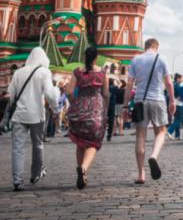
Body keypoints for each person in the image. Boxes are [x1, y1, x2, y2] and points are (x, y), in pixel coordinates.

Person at [8, 47, 58, 191]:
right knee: (38, 145)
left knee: (18, 148)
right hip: (36, 115)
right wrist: (55, 109)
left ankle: (17, 181)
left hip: (19, 115)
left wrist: (12, 109)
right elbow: (49, 93)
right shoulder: (44, 72)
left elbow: (11, 94)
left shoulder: (18, 72)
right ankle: (36, 173)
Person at [126, 38, 175, 184]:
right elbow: (168, 83)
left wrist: (125, 105)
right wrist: (172, 101)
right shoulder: (161, 59)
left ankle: (141, 174)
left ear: (145, 47)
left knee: (140, 135)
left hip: (140, 100)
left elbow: (129, 84)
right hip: (158, 99)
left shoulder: (135, 60)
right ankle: (153, 156)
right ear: (156, 47)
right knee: (161, 131)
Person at [66, 47, 109, 189]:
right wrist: (105, 109)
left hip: (80, 108)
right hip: (96, 110)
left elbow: (69, 92)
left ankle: (82, 173)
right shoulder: (102, 73)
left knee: (80, 142)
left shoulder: (77, 71)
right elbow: (105, 93)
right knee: (93, 143)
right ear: (96, 58)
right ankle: (84, 168)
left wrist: (75, 104)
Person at [168, 73, 183, 140]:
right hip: (178, 104)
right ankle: (170, 130)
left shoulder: (173, 85)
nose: (182, 79)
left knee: (176, 119)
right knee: (179, 119)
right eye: (181, 78)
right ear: (178, 78)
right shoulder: (178, 86)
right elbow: (181, 96)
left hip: (173, 103)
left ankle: (177, 136)